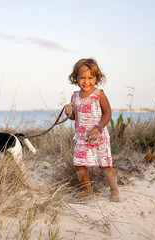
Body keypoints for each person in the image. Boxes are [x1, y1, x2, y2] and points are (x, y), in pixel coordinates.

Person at [64, 58, 120, 202]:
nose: (86, 81)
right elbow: (74, 117)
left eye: (90, 78)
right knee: (79, 163)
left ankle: (114, 191)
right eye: (82, 78)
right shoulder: (75, 96)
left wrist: (99, 127)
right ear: (75, 78)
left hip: (98, 135)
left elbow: (107, 113)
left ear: (96, 78)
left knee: (105, 165)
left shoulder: (99, 94)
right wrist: (68, 112)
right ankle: (87, 189)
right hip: (82, 136)